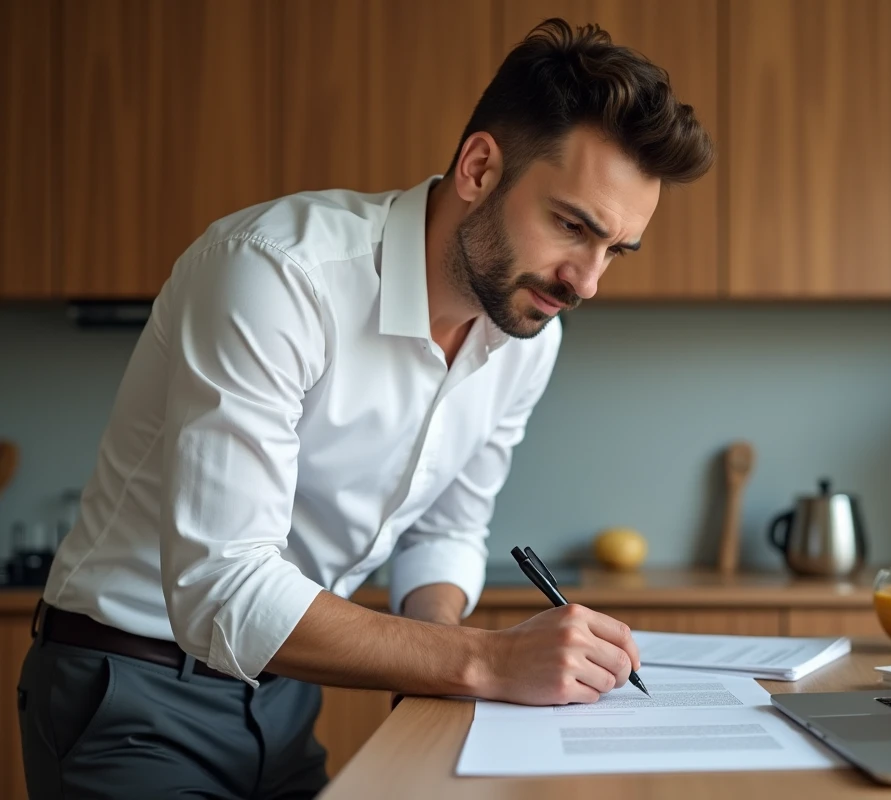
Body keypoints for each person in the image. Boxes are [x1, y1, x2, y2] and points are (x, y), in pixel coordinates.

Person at [17, 16, 714, 800]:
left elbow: (445, 529)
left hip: (283, 694)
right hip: (131, 686)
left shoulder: (526, 333)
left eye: (613, 250)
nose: (586, 281)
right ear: (480, 168)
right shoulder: (276, 274)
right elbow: (225, 586)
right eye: (572, 226)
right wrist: (483, 660)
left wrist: (446, 648)